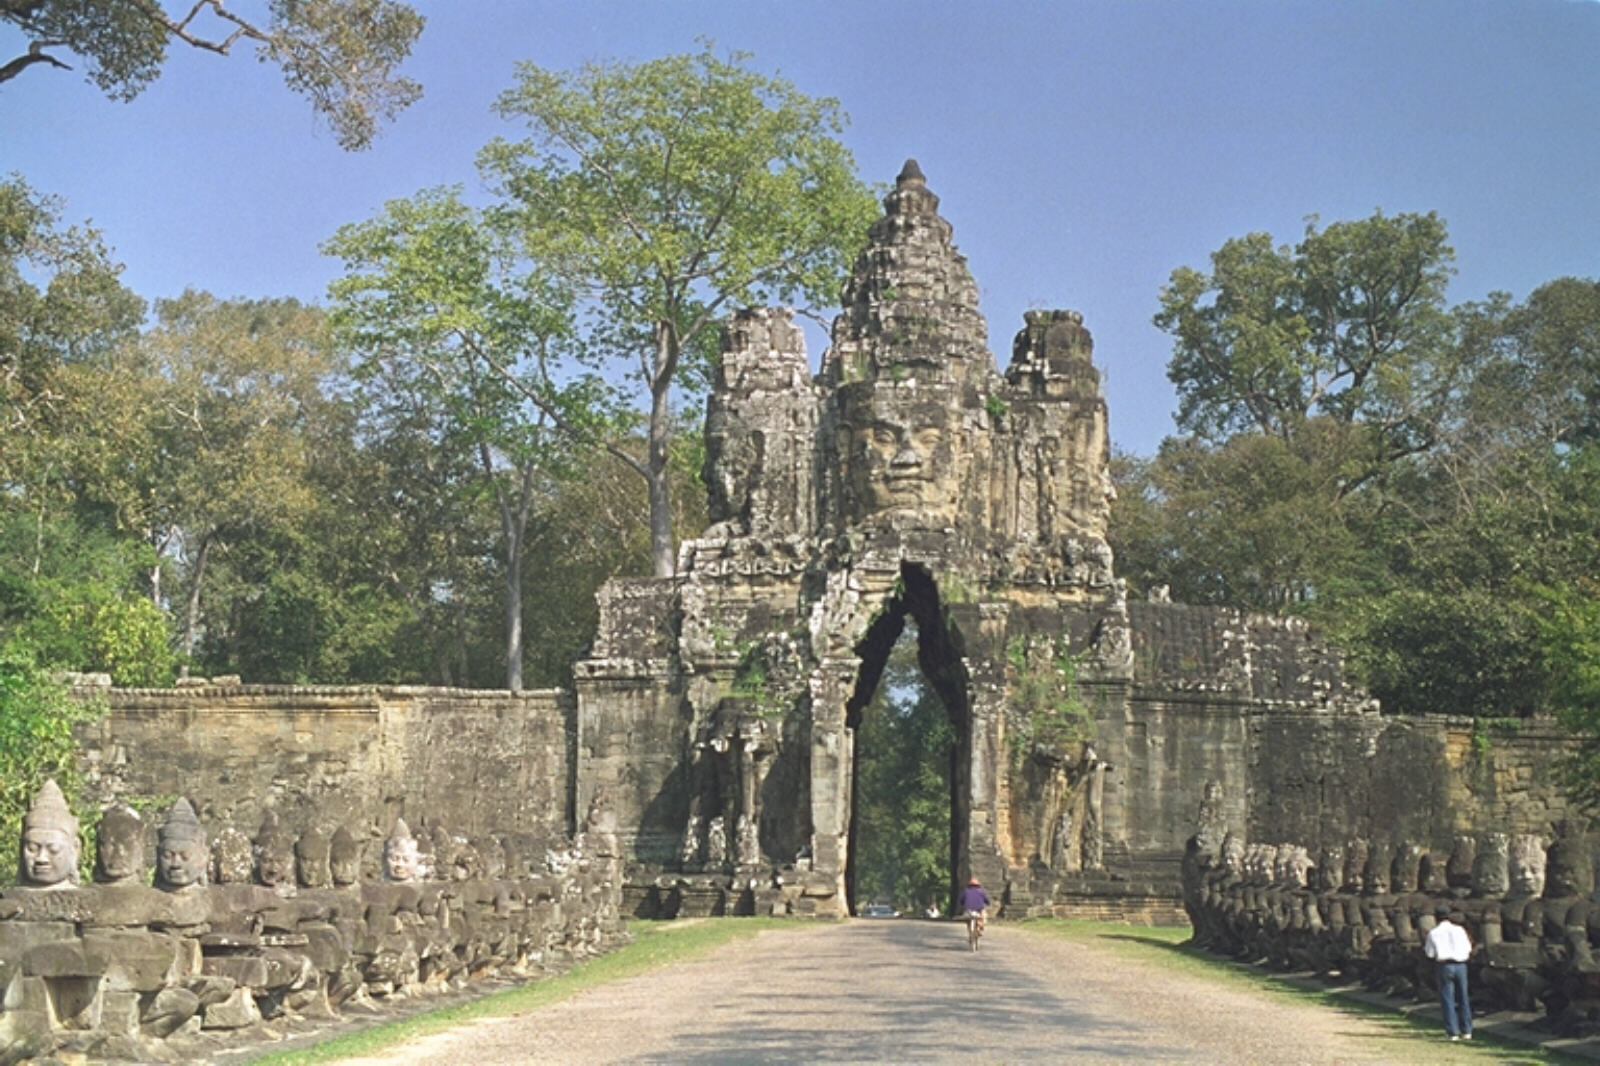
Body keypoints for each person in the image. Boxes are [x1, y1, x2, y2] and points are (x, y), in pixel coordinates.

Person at [1423, 905, 1473, 1041]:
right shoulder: (1459, 930)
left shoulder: (1433, 933)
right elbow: (1468, 947)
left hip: (1444, 965)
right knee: (1463, 997)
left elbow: (1430, 953)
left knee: (1447, 998)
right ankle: (1467, 1030)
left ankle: (1452, 1032)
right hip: (1461, 964)